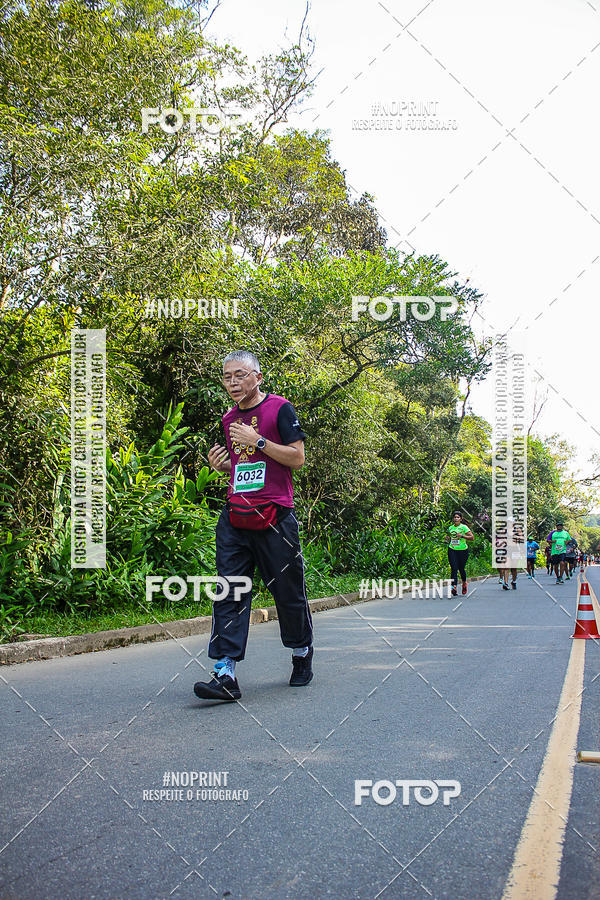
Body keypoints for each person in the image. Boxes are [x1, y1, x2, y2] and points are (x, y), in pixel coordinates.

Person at [193, 350, 313, 703]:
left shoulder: (280, 409)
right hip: (236, 515)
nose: (232, 382)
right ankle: (225, 672)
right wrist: (224, 467)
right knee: (230, 590)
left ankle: (301, 652)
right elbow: (245, 466)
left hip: (275, 515)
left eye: (240, 375)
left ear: (258, 378)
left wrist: (257, 440)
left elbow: (297, 458)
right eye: (227, 376)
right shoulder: (229, 417)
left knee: (287, 592)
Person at [446, 512, 473, 596]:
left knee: (461, 569)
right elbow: (449, 537)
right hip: (452, 549)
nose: (456, 518)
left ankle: (464, 583)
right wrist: (447, 538)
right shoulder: (450, 528)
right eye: (455, 517)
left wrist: (462, 536)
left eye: (458, 517)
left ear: (461, 519)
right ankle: (453, 587)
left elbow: (472, 537)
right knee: (454, 568)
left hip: (463, 550)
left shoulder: (464, 527)